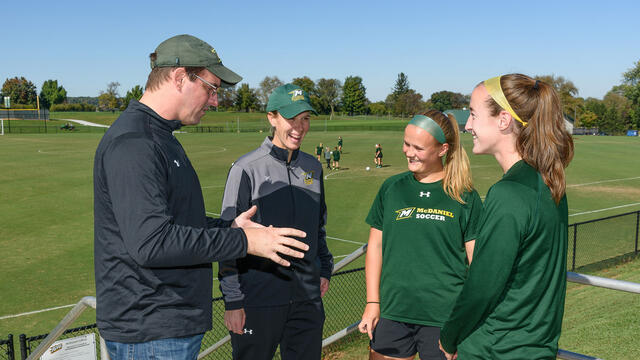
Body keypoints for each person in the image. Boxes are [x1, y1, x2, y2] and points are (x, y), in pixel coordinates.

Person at [93, 34, 309, 360]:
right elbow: (152, 242)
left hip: (168, 326)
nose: (215, 101)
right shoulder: (135, 142)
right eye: (211, 88)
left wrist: (229, 227)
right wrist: (244, 243)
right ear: (180, 78)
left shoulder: (161, 137)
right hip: (151, 331)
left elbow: (178, 221)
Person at [438, 74, 574, 360]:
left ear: (503, 120)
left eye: (474, 114)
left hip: (496, 348)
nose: (468, 125)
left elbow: (483, 284)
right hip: (533, 346)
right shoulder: (548, 182)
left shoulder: (509, 192)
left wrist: (449, 337)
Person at [219, 83, 334, 360]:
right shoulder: (246, 169)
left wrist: (324, 268)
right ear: (272, 118)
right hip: (258, 302)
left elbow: (317, 227)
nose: (300, 127)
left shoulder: (313, 168)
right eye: (291, 118)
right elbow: (227, 240)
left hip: (306, 301)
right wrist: (233, 301)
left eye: (305, 119)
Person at [359, 110, 483, 360]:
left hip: (444, 319)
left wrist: (464, 322)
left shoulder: (464, 195)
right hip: (393, 313)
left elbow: (477, 263)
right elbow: (375, 247)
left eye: (418, 147)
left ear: (442, 149)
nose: (408, 152)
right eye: (406, 143)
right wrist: (373, 303)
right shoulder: (392, 188)